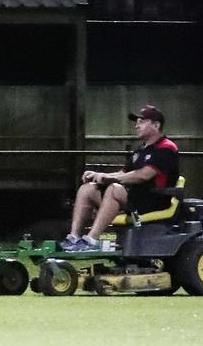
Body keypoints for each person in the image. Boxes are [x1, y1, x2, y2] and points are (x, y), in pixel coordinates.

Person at [63, 104, 180, 252]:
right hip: (135, 199)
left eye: (142, 122)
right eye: (136, 122)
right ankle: (73, 237)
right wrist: (98, 175)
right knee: (87, 188)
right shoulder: (140, 150)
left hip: (154, 200)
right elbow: (123, 173)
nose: (137, 126)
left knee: (114, 189)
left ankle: (91, 239)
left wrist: (109, 179)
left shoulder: (166, 147)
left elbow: (143, 175)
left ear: (156, 125)